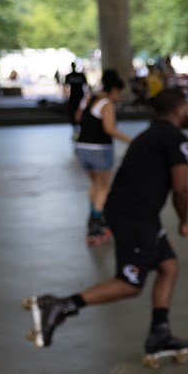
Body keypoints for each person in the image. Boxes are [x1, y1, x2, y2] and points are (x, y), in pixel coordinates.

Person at [23, 89, 188, 361]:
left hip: (135, 213)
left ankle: (159, 334)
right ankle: (60, 306)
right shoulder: (175, 140)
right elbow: (181, 190)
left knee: (168, 266)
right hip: (134, 216)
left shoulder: (148, 135)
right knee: (130, 284)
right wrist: (184, 221)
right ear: (176, 110)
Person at [74, 70, 134, 244]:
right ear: (114, 90)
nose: (120, 96)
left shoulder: (88, 99)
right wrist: (132, 141)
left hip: (82, 147)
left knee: (95, 184)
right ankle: (96, 223)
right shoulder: (107, 104)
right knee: (104, 188)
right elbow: (110, 129)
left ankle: (94, 215)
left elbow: (78, 116)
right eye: (120, 93)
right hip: (99, 149)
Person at [63, 63, 88, 132]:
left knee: (79, 110)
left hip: (78, 96)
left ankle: (79, 124)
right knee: (74, 111)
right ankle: (76, 124)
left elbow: (86, 85)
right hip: (75, 96)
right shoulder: (71, 76)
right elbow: (66, 87)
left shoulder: (78, 75)